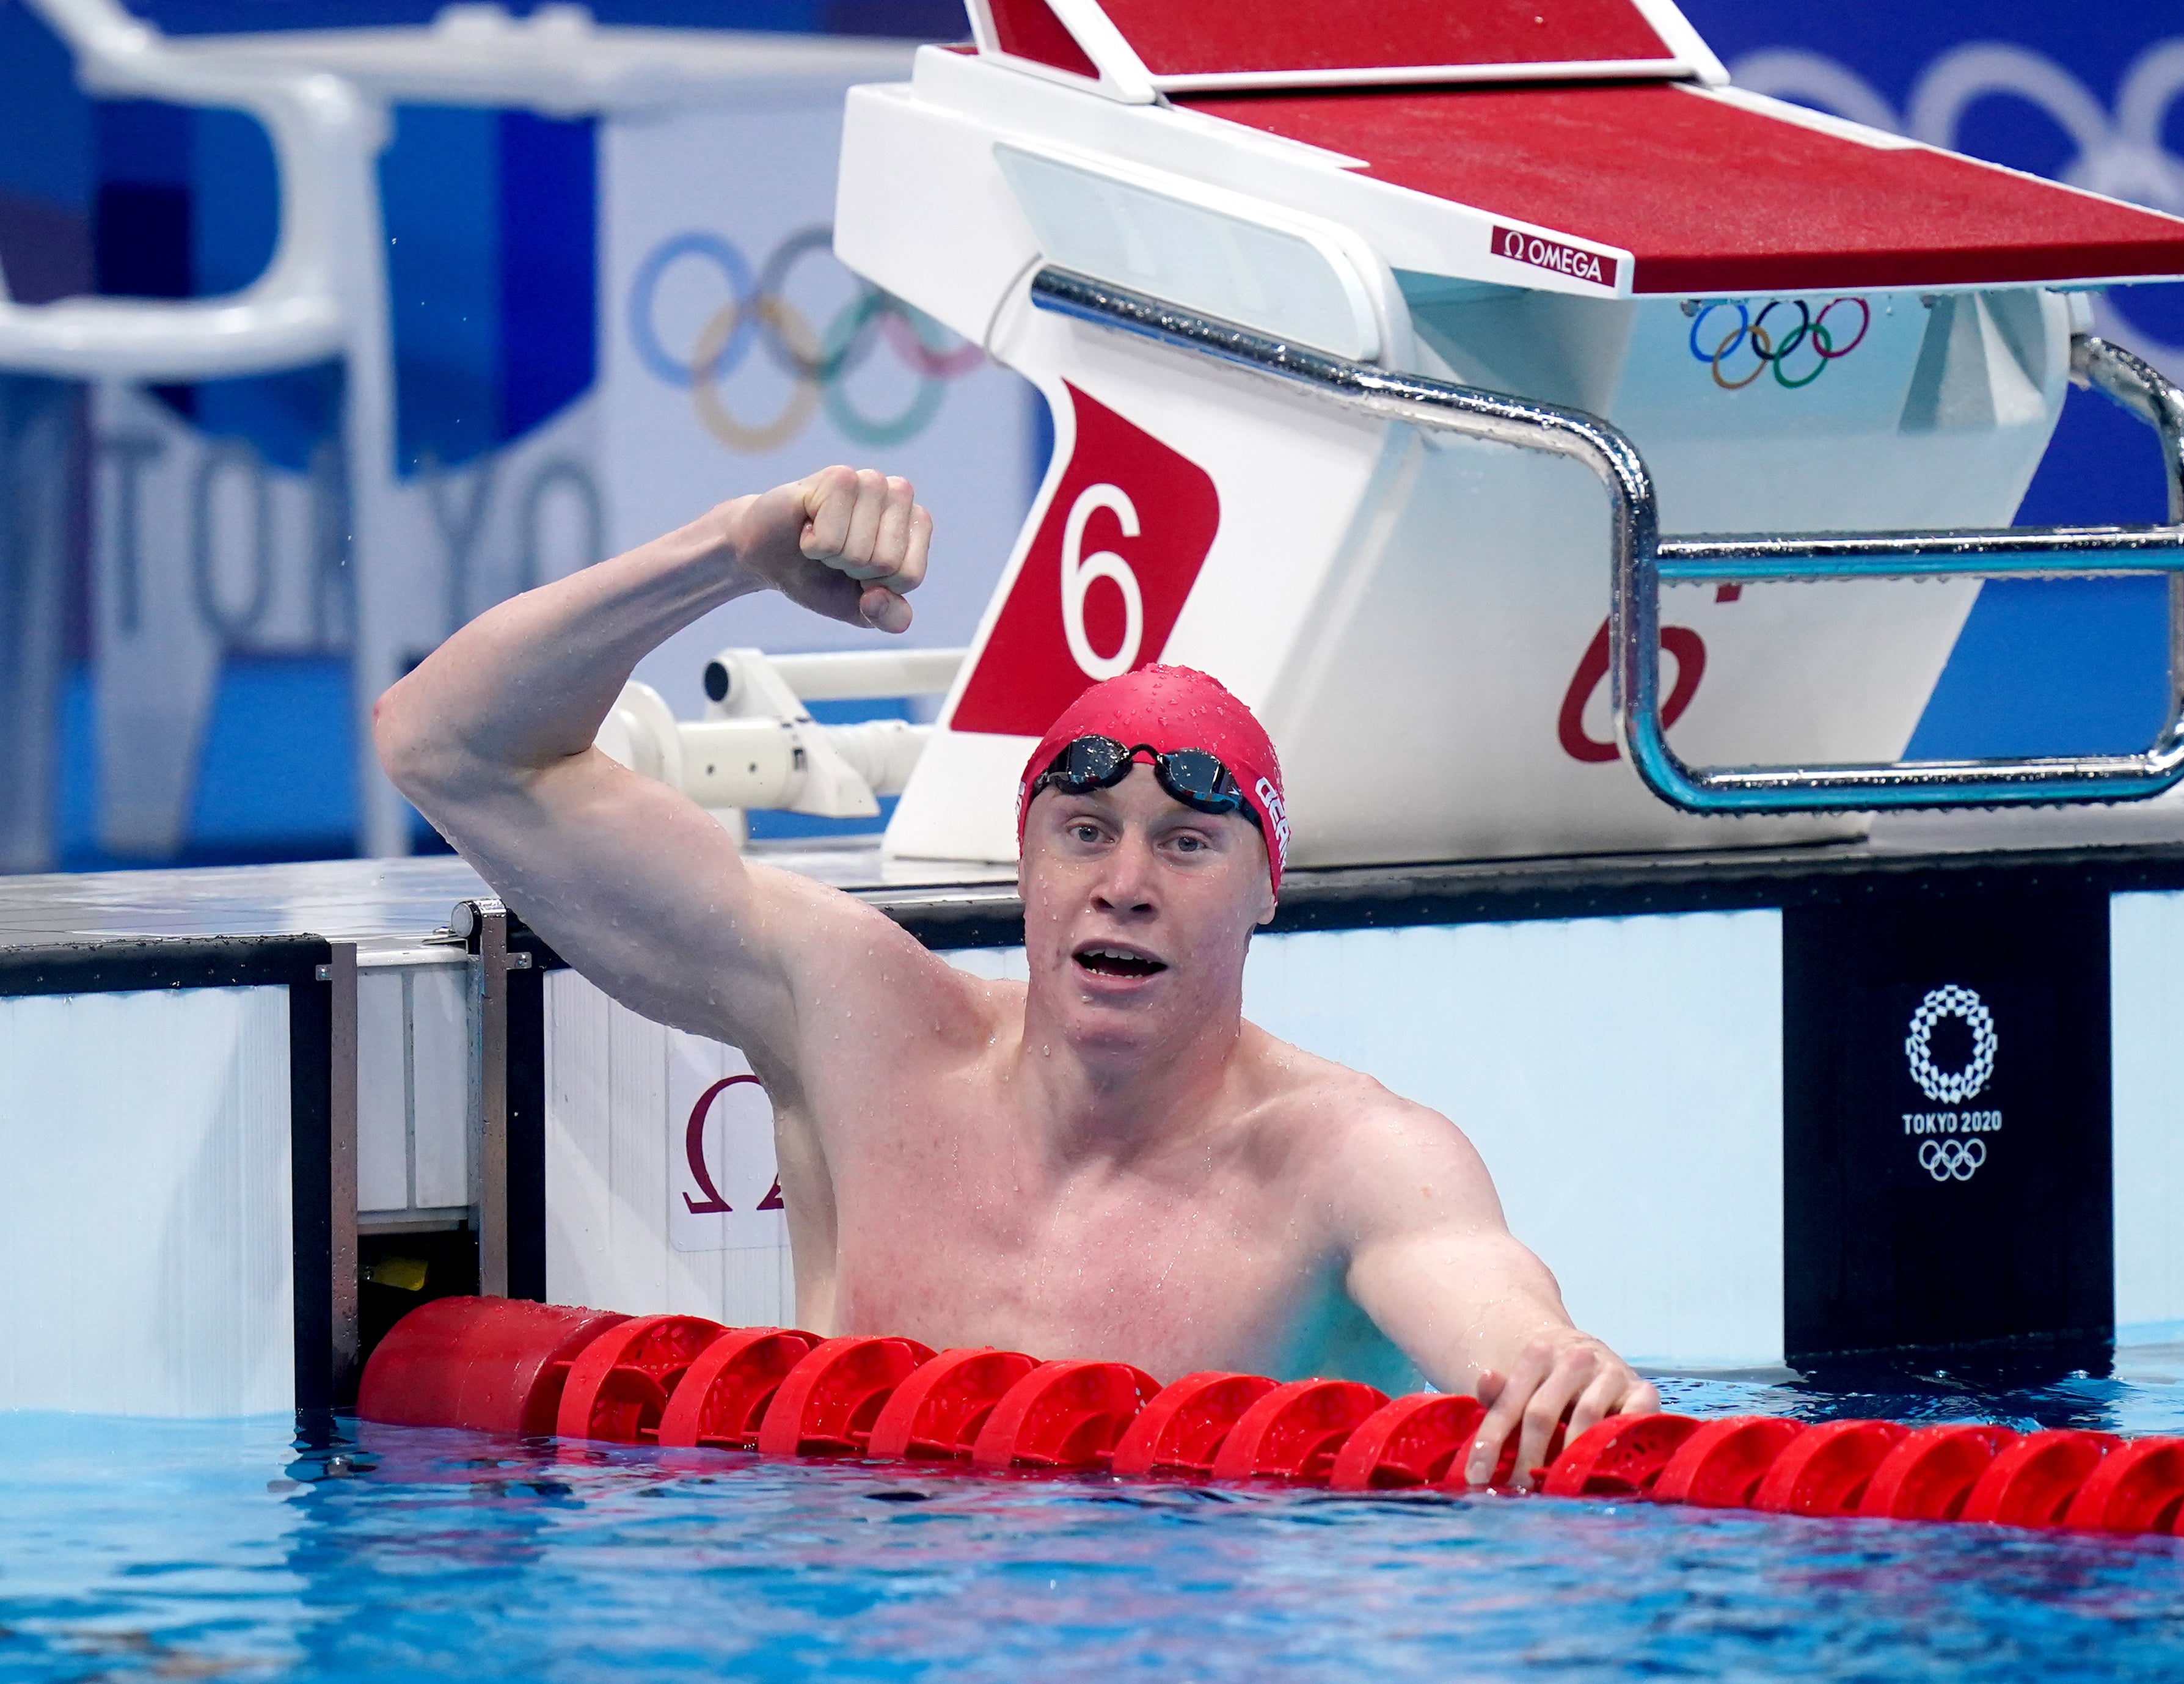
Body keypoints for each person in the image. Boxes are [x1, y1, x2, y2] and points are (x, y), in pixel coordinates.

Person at [374, 465, 1660, 1488]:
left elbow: (1502, 1329)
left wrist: (1552, 1366)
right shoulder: (859, 1028)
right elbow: (445, 742)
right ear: (1028, 865)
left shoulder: (1347, 1158)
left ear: (1269, 883)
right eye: (1084, 830)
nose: (1127, 879)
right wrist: (724, 551)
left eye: (1188, 842)